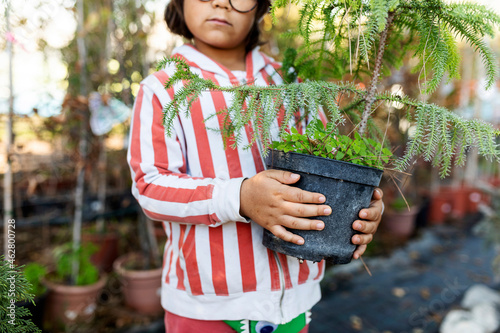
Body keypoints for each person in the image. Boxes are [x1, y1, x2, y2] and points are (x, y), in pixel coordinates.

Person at [127, 0, 384, 332]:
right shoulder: (162, 89)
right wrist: (240, 197)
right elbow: (150, 186)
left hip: (295, 299)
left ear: (261, 8)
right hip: (206, 307)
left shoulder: (293, 84)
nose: (221, 2)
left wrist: (360, 210)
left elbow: (333, 164)